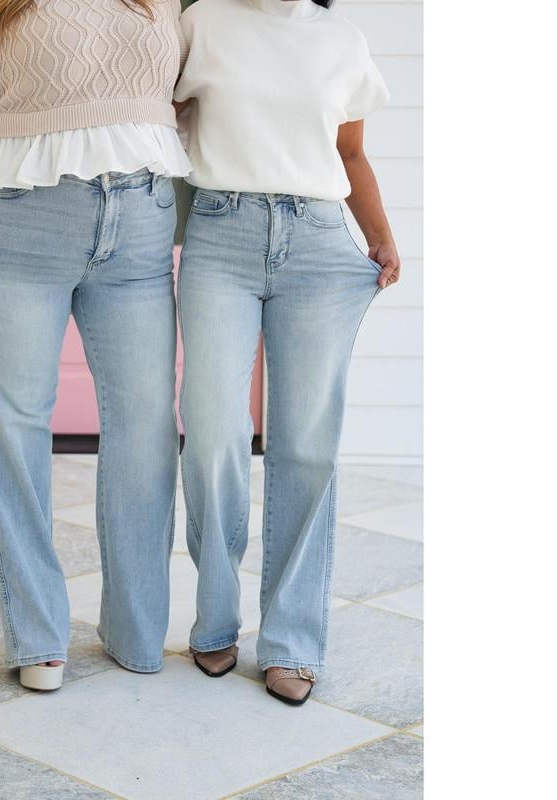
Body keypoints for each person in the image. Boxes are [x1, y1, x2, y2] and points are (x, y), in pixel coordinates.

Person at [0, 0, 190, 691]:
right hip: (17, 223)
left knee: (146, 424)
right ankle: (36, 636)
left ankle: (137, 627)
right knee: (17, 426)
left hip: (141, 225)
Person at [174, 0, 400, 705]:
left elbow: (350, 152)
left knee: (307, 445)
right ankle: (215, 617)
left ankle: (293, 641)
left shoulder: (341, 38)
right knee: (212, 431)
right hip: (221, 233)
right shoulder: (203, 21)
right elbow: (161, 125)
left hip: (320, 243)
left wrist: (381, 237)